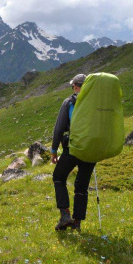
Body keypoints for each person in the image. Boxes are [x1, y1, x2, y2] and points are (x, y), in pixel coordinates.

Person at [51, 73, 96, 231]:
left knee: (58, 177)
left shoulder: (69, 102)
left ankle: (65, 215)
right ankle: (77, 223)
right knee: (82, 186)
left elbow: (59, 129)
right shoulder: (95, 103)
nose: (72, 88)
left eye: (73, 86)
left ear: (76, 86)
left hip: (73, 148)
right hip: (91, 149)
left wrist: (54, 150)